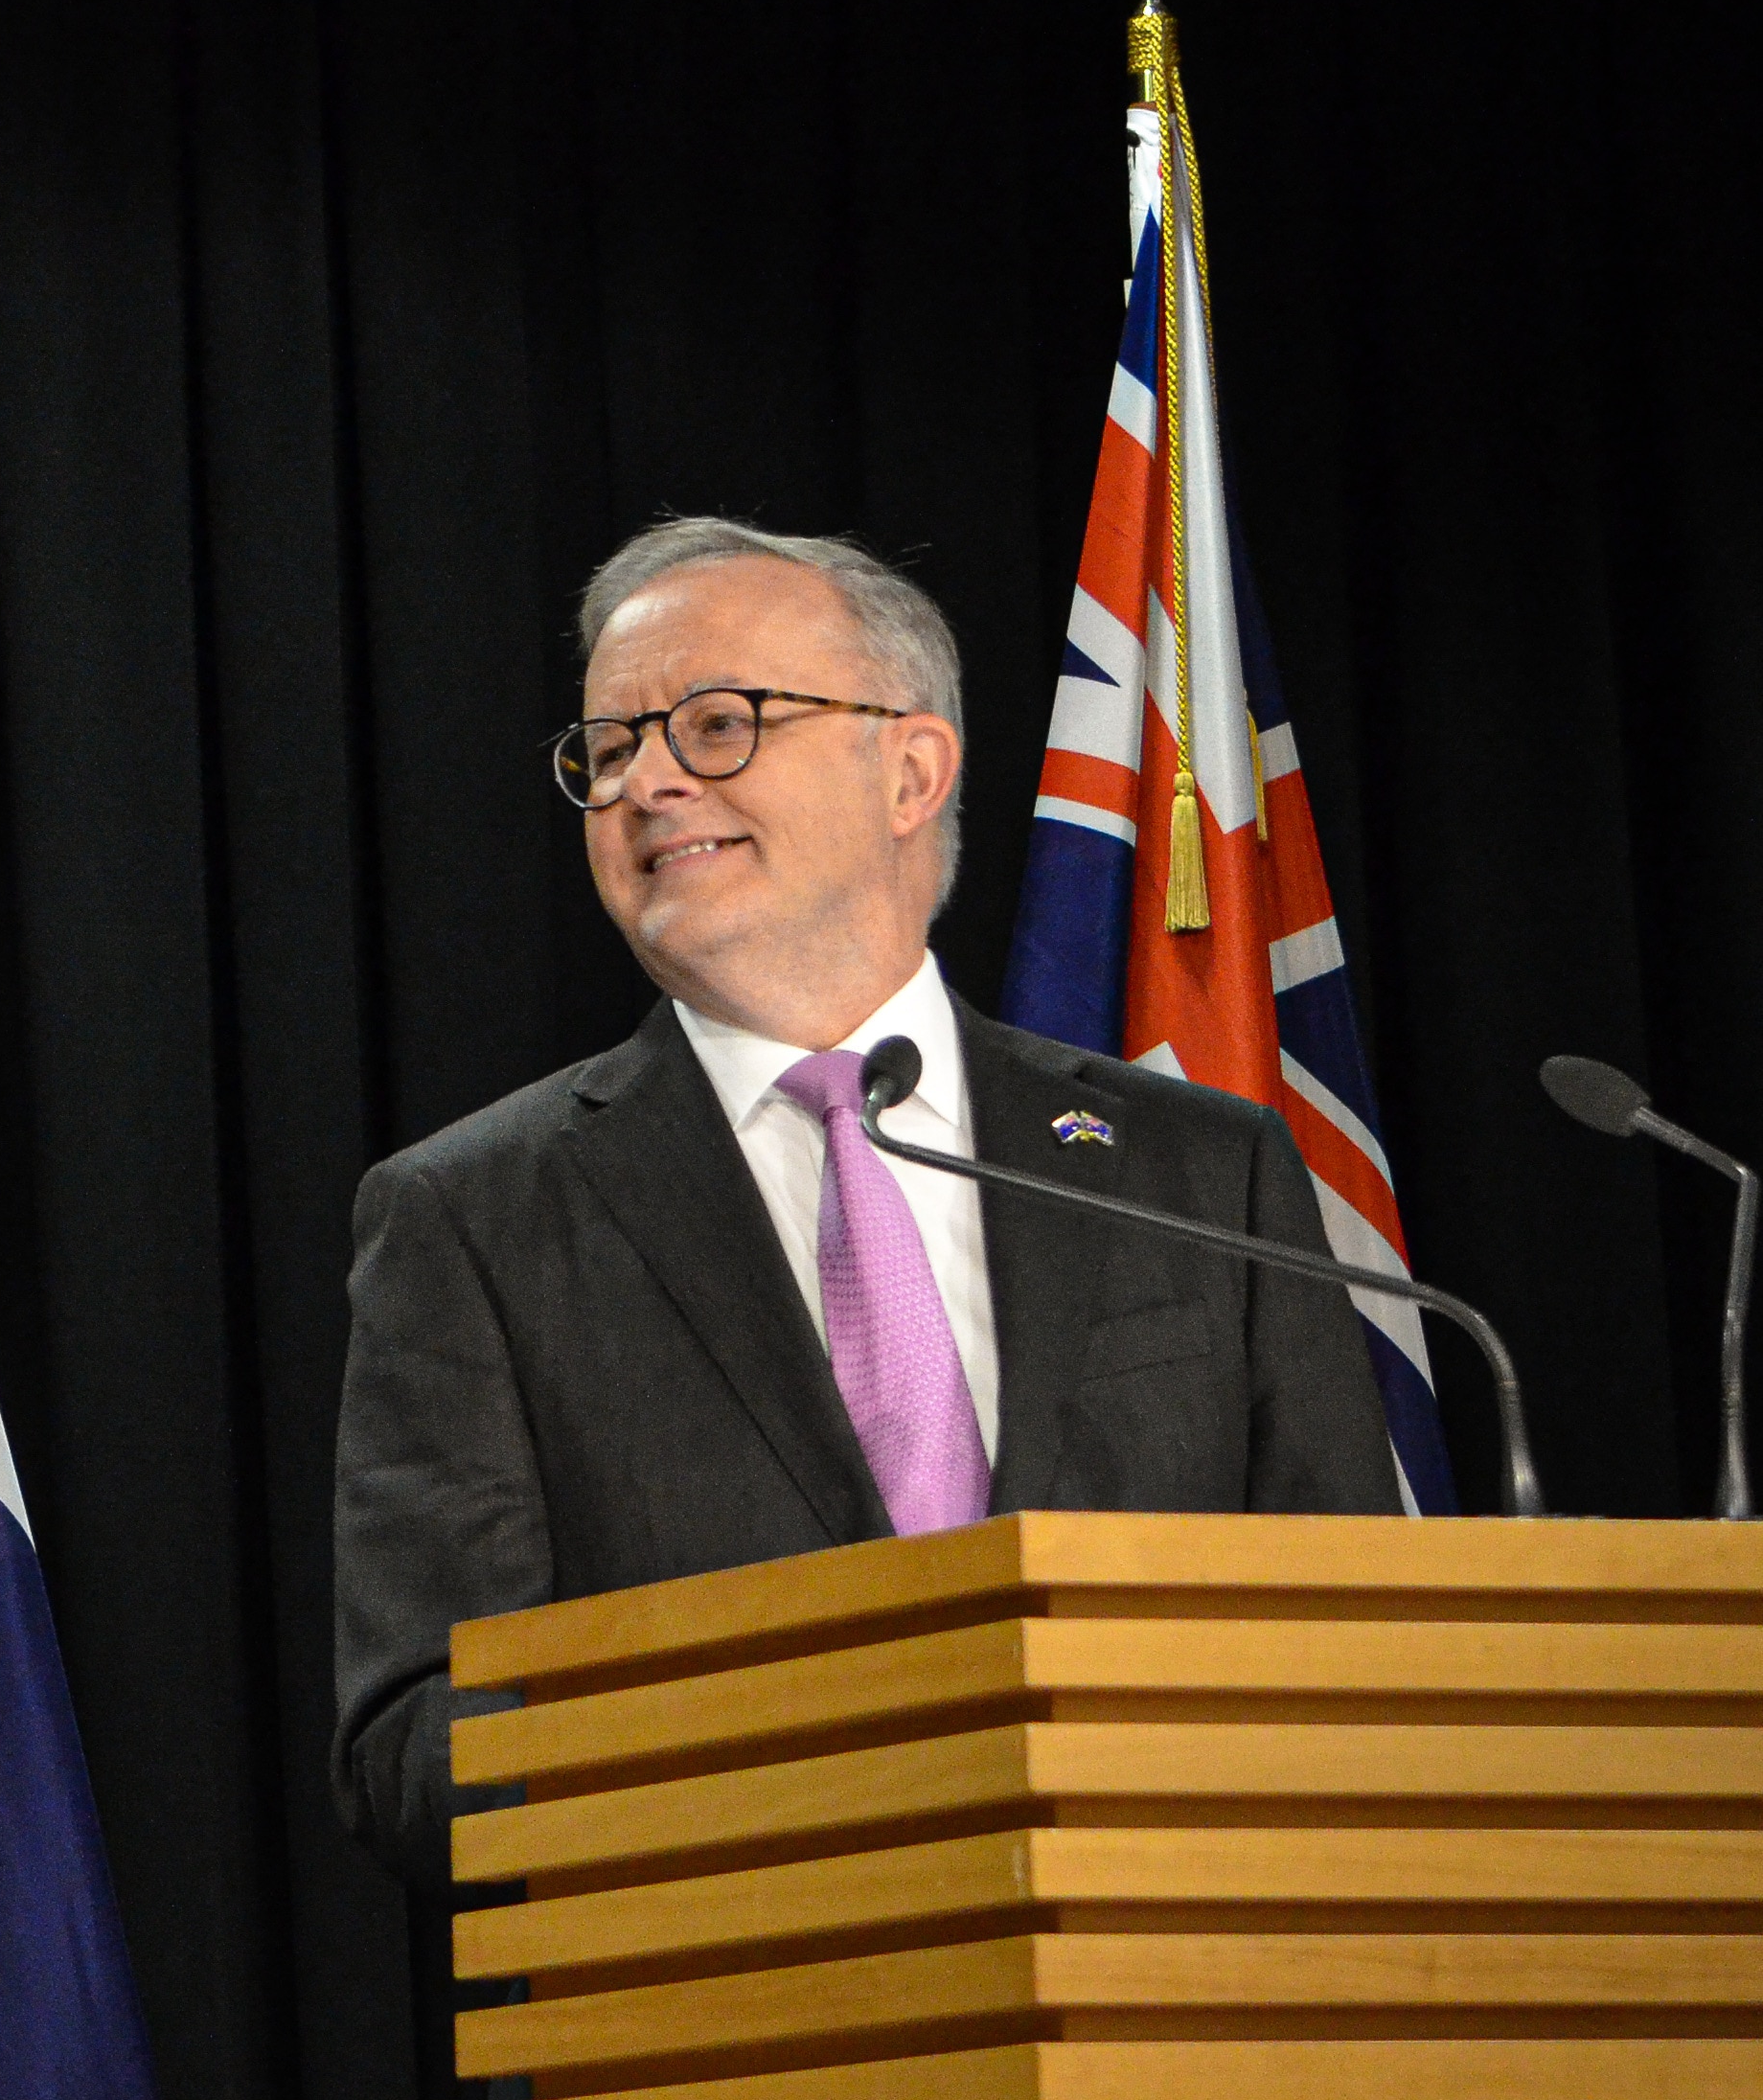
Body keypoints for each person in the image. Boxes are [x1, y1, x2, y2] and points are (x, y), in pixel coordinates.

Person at [331, 516, 1396, 1881]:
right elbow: (415, 1742)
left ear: (907, 769)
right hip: (738, 2041)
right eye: (606, 750)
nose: (645, 781)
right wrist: (816, 1746)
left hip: (1179, 2014)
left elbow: (1353, 1641)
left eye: (715, 724)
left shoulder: (1193, 1170)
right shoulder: (472, 1214)